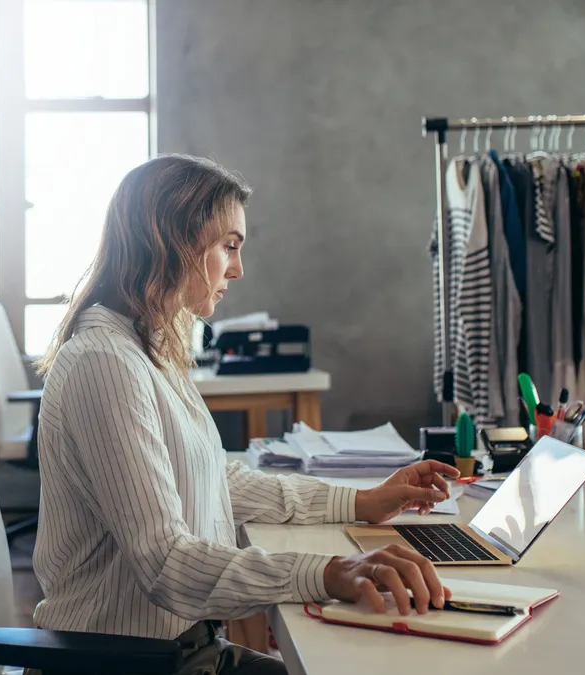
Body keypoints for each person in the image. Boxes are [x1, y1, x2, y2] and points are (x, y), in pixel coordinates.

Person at [27, 155, 460, 675]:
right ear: (174, 242)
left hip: (180, 651)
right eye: (228, 247)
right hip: (127, 663)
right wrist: (329, 573)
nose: (238, 268)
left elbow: (221, 483)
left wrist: (360, 502)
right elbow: (167, 564)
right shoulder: (105, 362)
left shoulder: (149, 349)